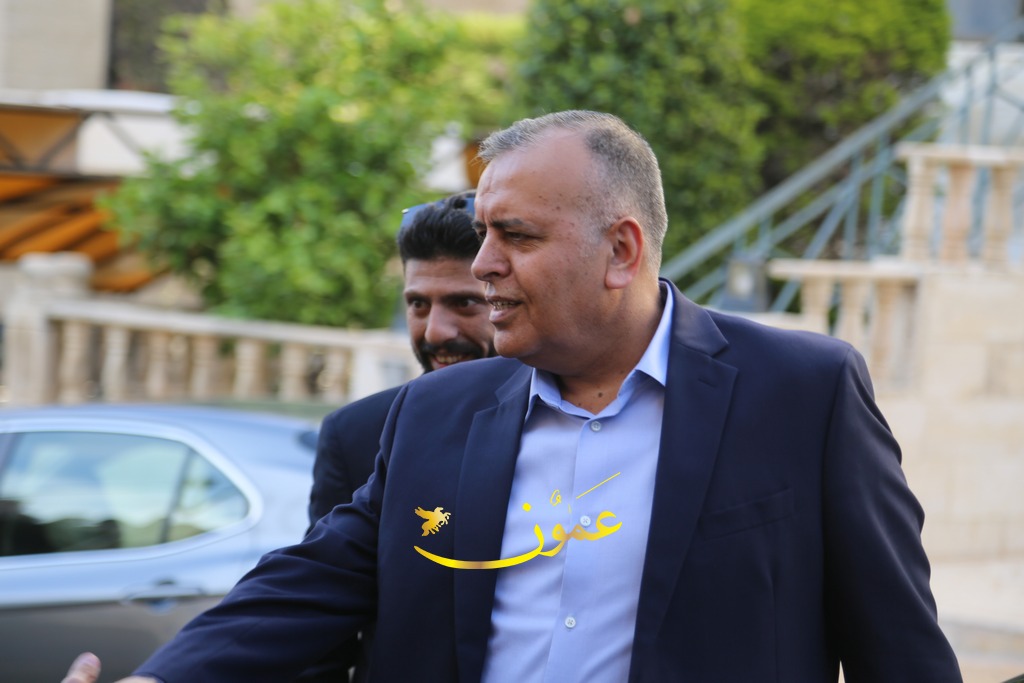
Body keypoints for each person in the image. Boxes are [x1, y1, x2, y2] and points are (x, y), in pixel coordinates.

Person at [63, 110, 962, 683]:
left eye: (517, 236)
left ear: (621, 250)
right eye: (483, 232)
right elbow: (307, 585)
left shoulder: (801, 393)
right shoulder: (436, 413)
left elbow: (900, 649)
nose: (484, 264)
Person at [300, 190, 495, 683]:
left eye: (464, 302)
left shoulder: (582, 419)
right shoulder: (357, 435)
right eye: (417, 304)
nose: (435, 332)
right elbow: (319, 621)